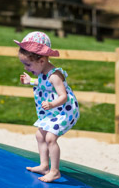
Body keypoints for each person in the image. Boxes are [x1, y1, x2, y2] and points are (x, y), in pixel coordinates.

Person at [14, 31, 80, 183]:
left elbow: (63, 96)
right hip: (54, 111)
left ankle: (55, 171)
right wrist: (31, 81)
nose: (26, 67)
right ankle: (44, 165)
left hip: (66, 111)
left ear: (42, 60)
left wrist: (51, 104)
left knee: (50, 138)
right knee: (40, 135)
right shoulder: (42, 72)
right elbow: (43, 84)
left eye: (28, 64)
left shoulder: (54, 75)